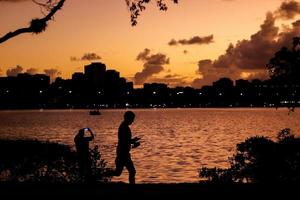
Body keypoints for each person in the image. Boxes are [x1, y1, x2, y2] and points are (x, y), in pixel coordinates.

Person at [110, 111, 140, 184]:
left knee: (118, 172)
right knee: (131, 171)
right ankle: (99, 175)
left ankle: (99, 175)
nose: (133, 121)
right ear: (127, 118)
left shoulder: (124, 126)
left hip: (123, 152)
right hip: (122, 153)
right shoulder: (124, 127)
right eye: (132, 119)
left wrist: (133, 141)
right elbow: (124, 141)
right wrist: (133, 142)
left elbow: (126, 140)